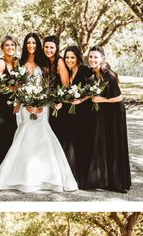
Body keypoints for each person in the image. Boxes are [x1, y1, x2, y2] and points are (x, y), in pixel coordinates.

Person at [0, 33, 78, 193]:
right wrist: (20, 102)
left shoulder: (44, 62)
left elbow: (50, 86)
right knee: (24, 133)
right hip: (25, 105)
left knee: (43, 134)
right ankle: (19, 177)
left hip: (43, 106)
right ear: (25, 45)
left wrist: (43, 104)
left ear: (38, 45)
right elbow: (17, 86)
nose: (31, 45)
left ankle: (48, 177)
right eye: (28, 43)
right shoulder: (19, 62)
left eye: (34, 43)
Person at [80, 46, 131, 192]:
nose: (92, 60)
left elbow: (119, 97)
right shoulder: (91, 75)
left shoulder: (108, 75)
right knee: (102, 142)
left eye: (96, 57)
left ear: (102, 59)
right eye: (90, 57)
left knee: (113, 143)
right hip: (103, 113)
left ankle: (116, 181)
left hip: (114, 113)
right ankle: (102, 179)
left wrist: (102, 100)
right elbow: (90, 94)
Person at [62, 46, 92, 180]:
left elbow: (92, 90)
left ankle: (82, 177)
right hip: (72, 113)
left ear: (78, 58)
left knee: (82, 143)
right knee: (72, 143)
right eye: (67, 57)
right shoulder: (67, 72)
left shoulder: (85, 70)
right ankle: (72, 175)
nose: (69, 60)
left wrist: (80, 100)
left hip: (84, 113)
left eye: (72, 57)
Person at [0, 35, 18, 173]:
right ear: (2, 48)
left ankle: (7, 171)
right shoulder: (0, 63)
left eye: (12, 45)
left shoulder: (17, 63)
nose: (10, 48)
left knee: (10, 136)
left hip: (11, 104)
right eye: (7, 45)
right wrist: (13, 88)